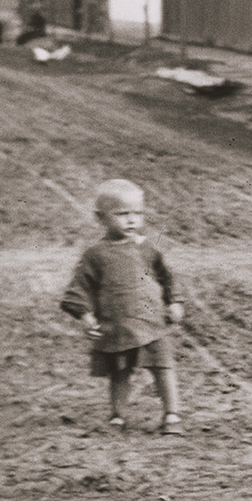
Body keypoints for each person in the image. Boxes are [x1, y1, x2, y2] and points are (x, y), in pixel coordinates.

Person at [60, 179, 185, 434]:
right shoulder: (95, 254)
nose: (131, 221)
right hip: (118, 324)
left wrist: (174, 302)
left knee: (163, 366)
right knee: (120, 372)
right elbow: (79, 287)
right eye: (122, 214)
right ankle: (118, 415)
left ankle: (172, 414)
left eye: (137, 214)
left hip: (152, 321)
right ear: (101, 218)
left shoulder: (147, 248)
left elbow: (166, 276)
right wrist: (85, 316)